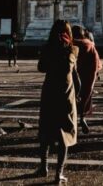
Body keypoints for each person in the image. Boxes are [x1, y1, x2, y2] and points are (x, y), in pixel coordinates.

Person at [35, 19, 79, 183]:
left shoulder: (48, 48)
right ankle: (58, 172)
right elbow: (76, 77)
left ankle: (43, 166)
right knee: (65, 133)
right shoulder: (72, 50)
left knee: (45, 129)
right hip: (65, 94)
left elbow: (41, 67)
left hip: (49, 93)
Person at [72, 25, 101, 134]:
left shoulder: (69, 45)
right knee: (84, 97)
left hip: (72, 76)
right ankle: (82, 117)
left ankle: (71, 122)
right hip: (85, 76)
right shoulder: (89, 44)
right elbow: (95, 62)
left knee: (71, 100)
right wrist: (94, 75)